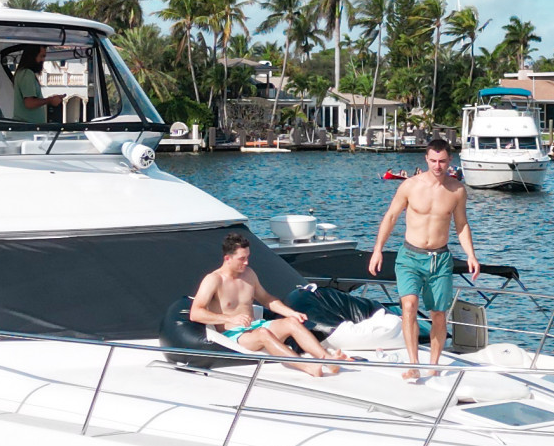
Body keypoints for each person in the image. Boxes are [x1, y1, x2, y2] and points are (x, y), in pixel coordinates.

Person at [367, 136, 480, 380]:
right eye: (432, 161)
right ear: (426, 160)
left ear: (450, 160)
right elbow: (391, 217)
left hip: (440, 259)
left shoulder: (457, 190)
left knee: (438, 314)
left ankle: (434, 365)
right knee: (408, 305)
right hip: (410, 256)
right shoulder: (410, 186)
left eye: (442, 161)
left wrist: (471, 255)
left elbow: (461, 225)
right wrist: (378, 249)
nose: (437, 166)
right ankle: (413, 363)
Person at [191, 230, 350, 377]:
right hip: (234, 335)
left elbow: (267, 299)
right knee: (263, 333)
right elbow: (195, 313)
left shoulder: (249, 274)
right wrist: (229, 319)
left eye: (247, 257)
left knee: (291, 323)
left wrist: (291, 313)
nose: (246, 262)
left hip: (254, 327)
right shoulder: (214, 279)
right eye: (242, 258)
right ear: (228, 258)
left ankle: (329, 360)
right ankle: (309, 367)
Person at [8, 45, 51, 125]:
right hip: (28, 130)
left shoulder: (23, 73)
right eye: (42, 56)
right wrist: (50, 100)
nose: (43, 60)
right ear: (32, 56)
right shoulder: (27, 74)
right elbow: (29, 103)